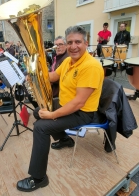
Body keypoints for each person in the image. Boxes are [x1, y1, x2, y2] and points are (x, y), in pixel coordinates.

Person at [16, 25, 104, 192]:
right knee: (38, 112)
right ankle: (65, 140)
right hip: (67, 104)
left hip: (82, 113)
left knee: (41, 127)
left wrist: (52, 115)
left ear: (86, 43)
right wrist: (35, 74)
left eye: (78, 42)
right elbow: (53, 76)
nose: (73, 46)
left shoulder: (90, 66)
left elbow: (78, 103)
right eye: (69, 42)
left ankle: (39, 178)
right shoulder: (69, 61)